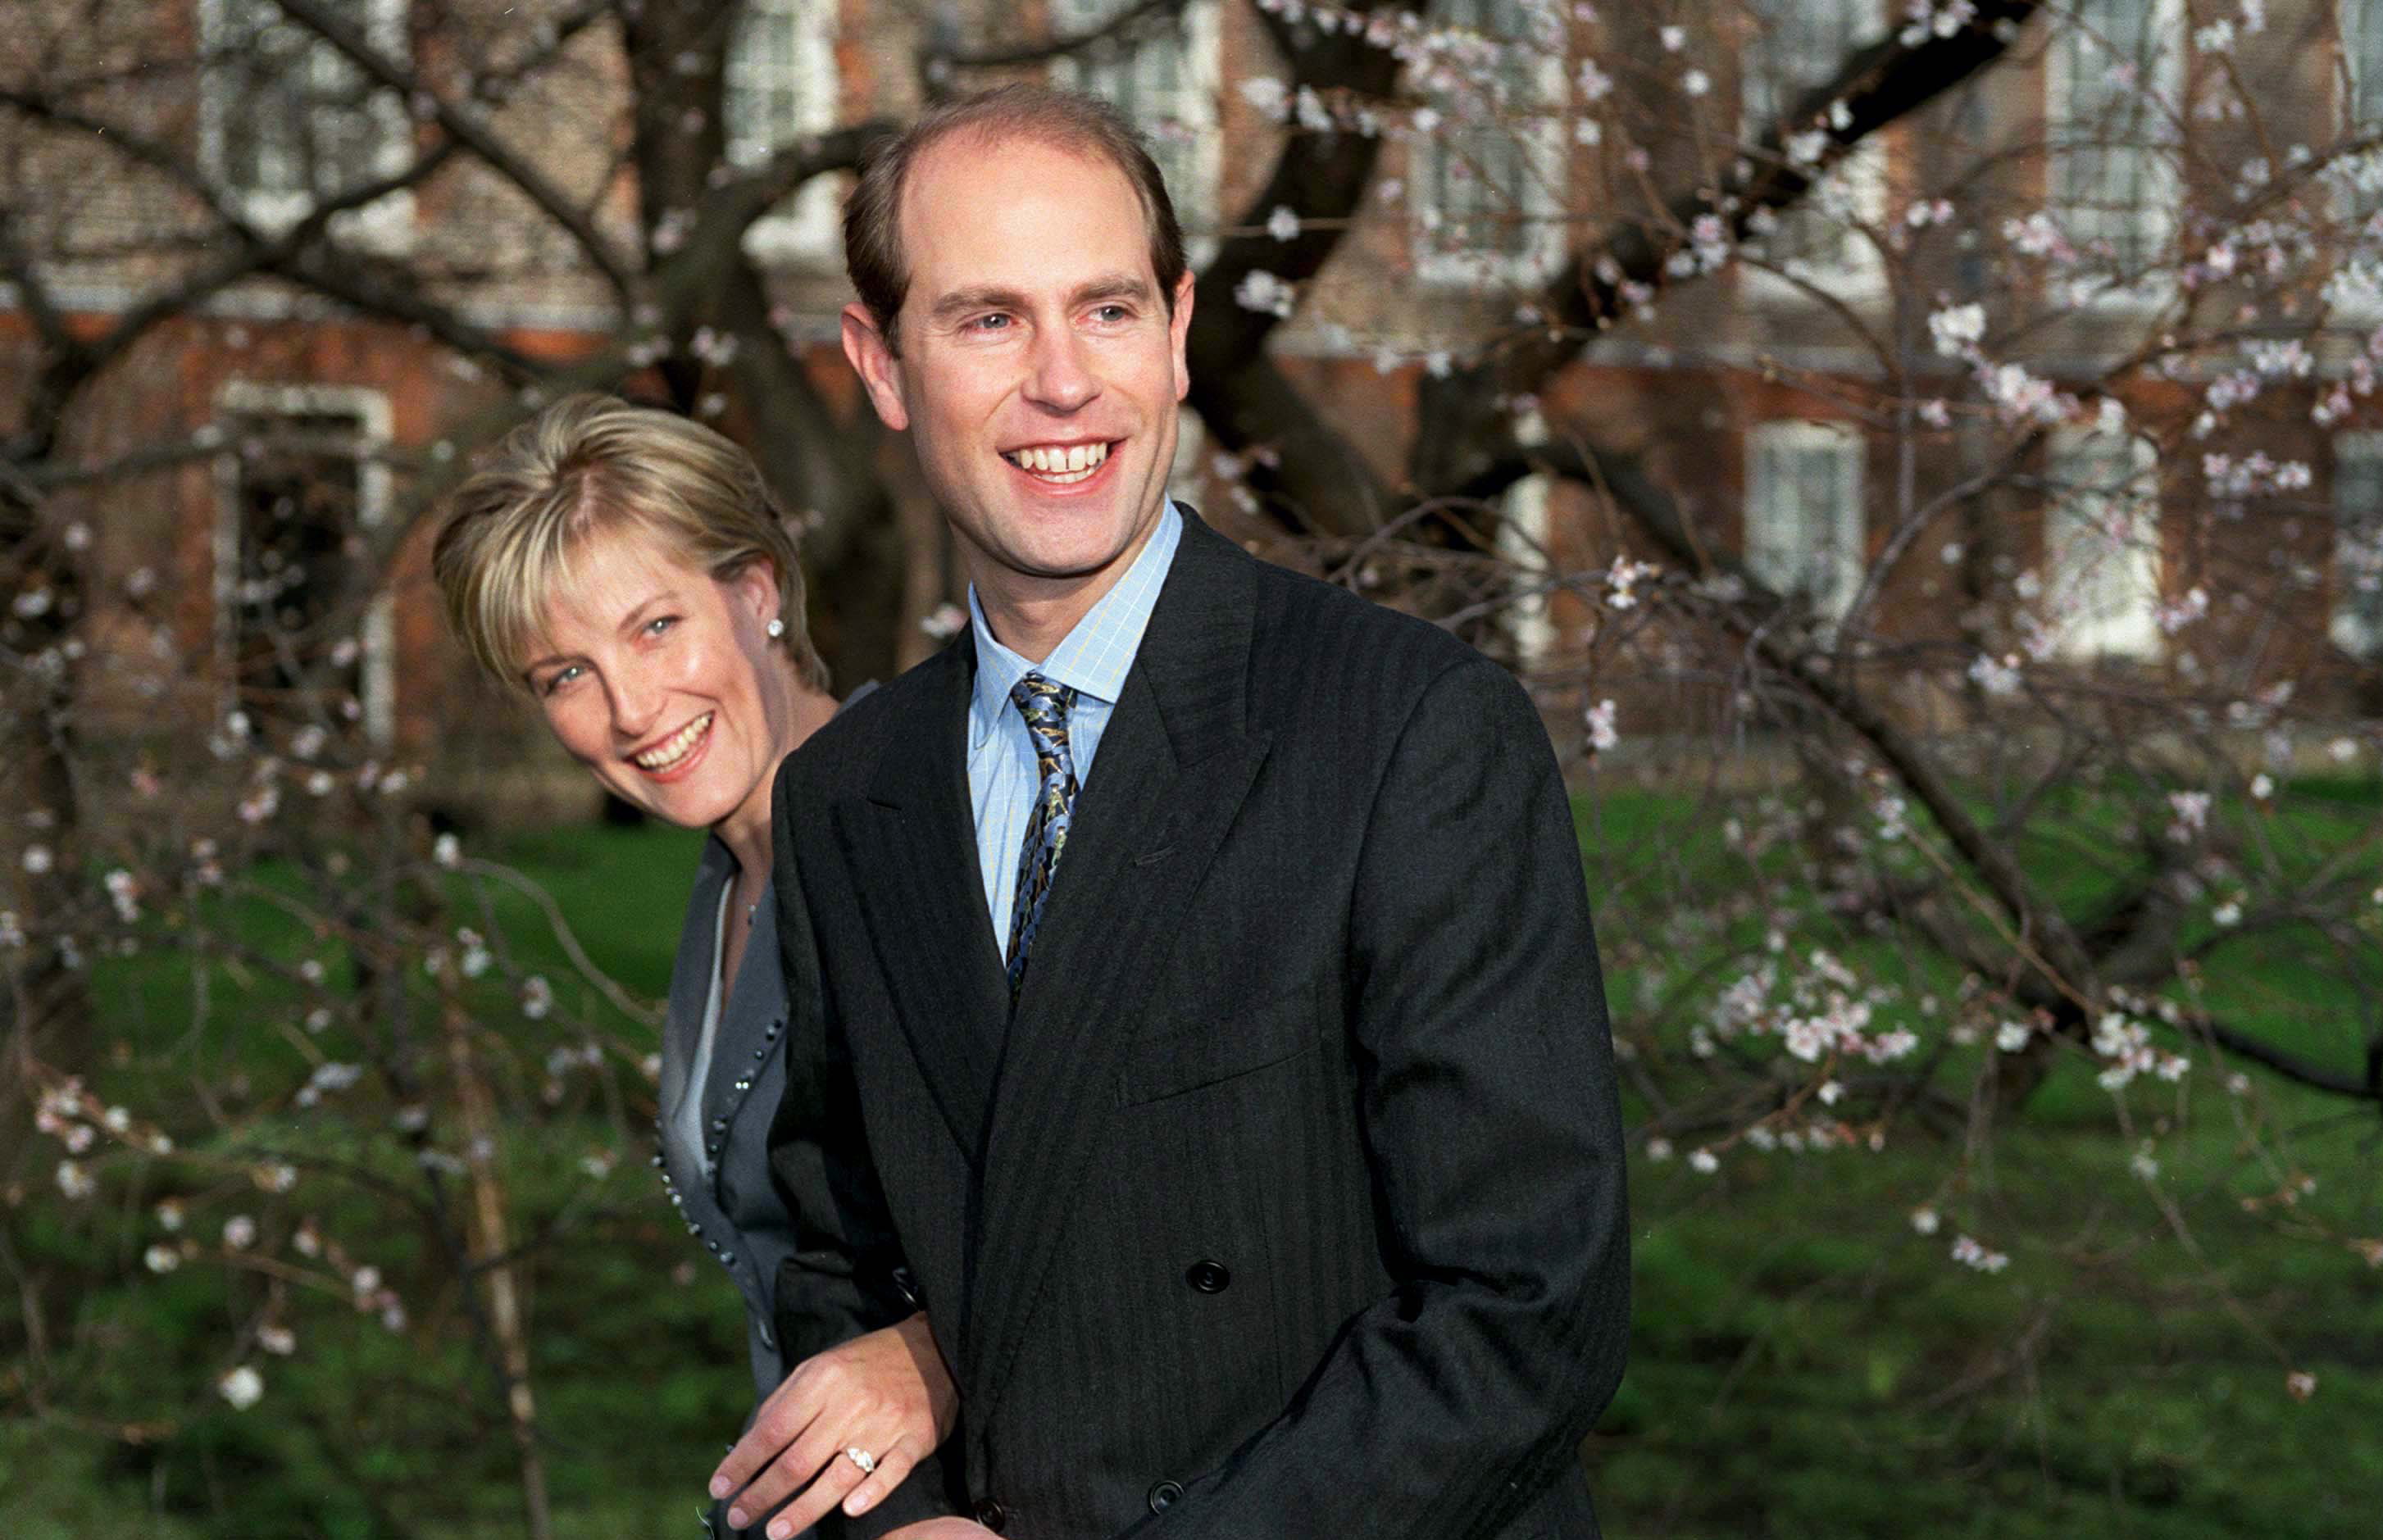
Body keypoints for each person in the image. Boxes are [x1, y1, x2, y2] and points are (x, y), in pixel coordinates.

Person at [720, 84, 1630, 1540]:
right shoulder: (849, 791)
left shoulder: (1401, 729)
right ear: (879, 363)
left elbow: (1525, 1305)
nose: (1064, 383)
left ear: (1180, 328)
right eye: (987, 320)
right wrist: (898, 1522)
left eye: (1106, 310)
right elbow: (844, 1255)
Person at [431, 396, 957, 1538]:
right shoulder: (729, 879)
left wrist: (936, 1355)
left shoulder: (928, 827)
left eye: (656, 626)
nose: (630, 709)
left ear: (757, 591)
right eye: (563, 674)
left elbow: (1120, 1198)